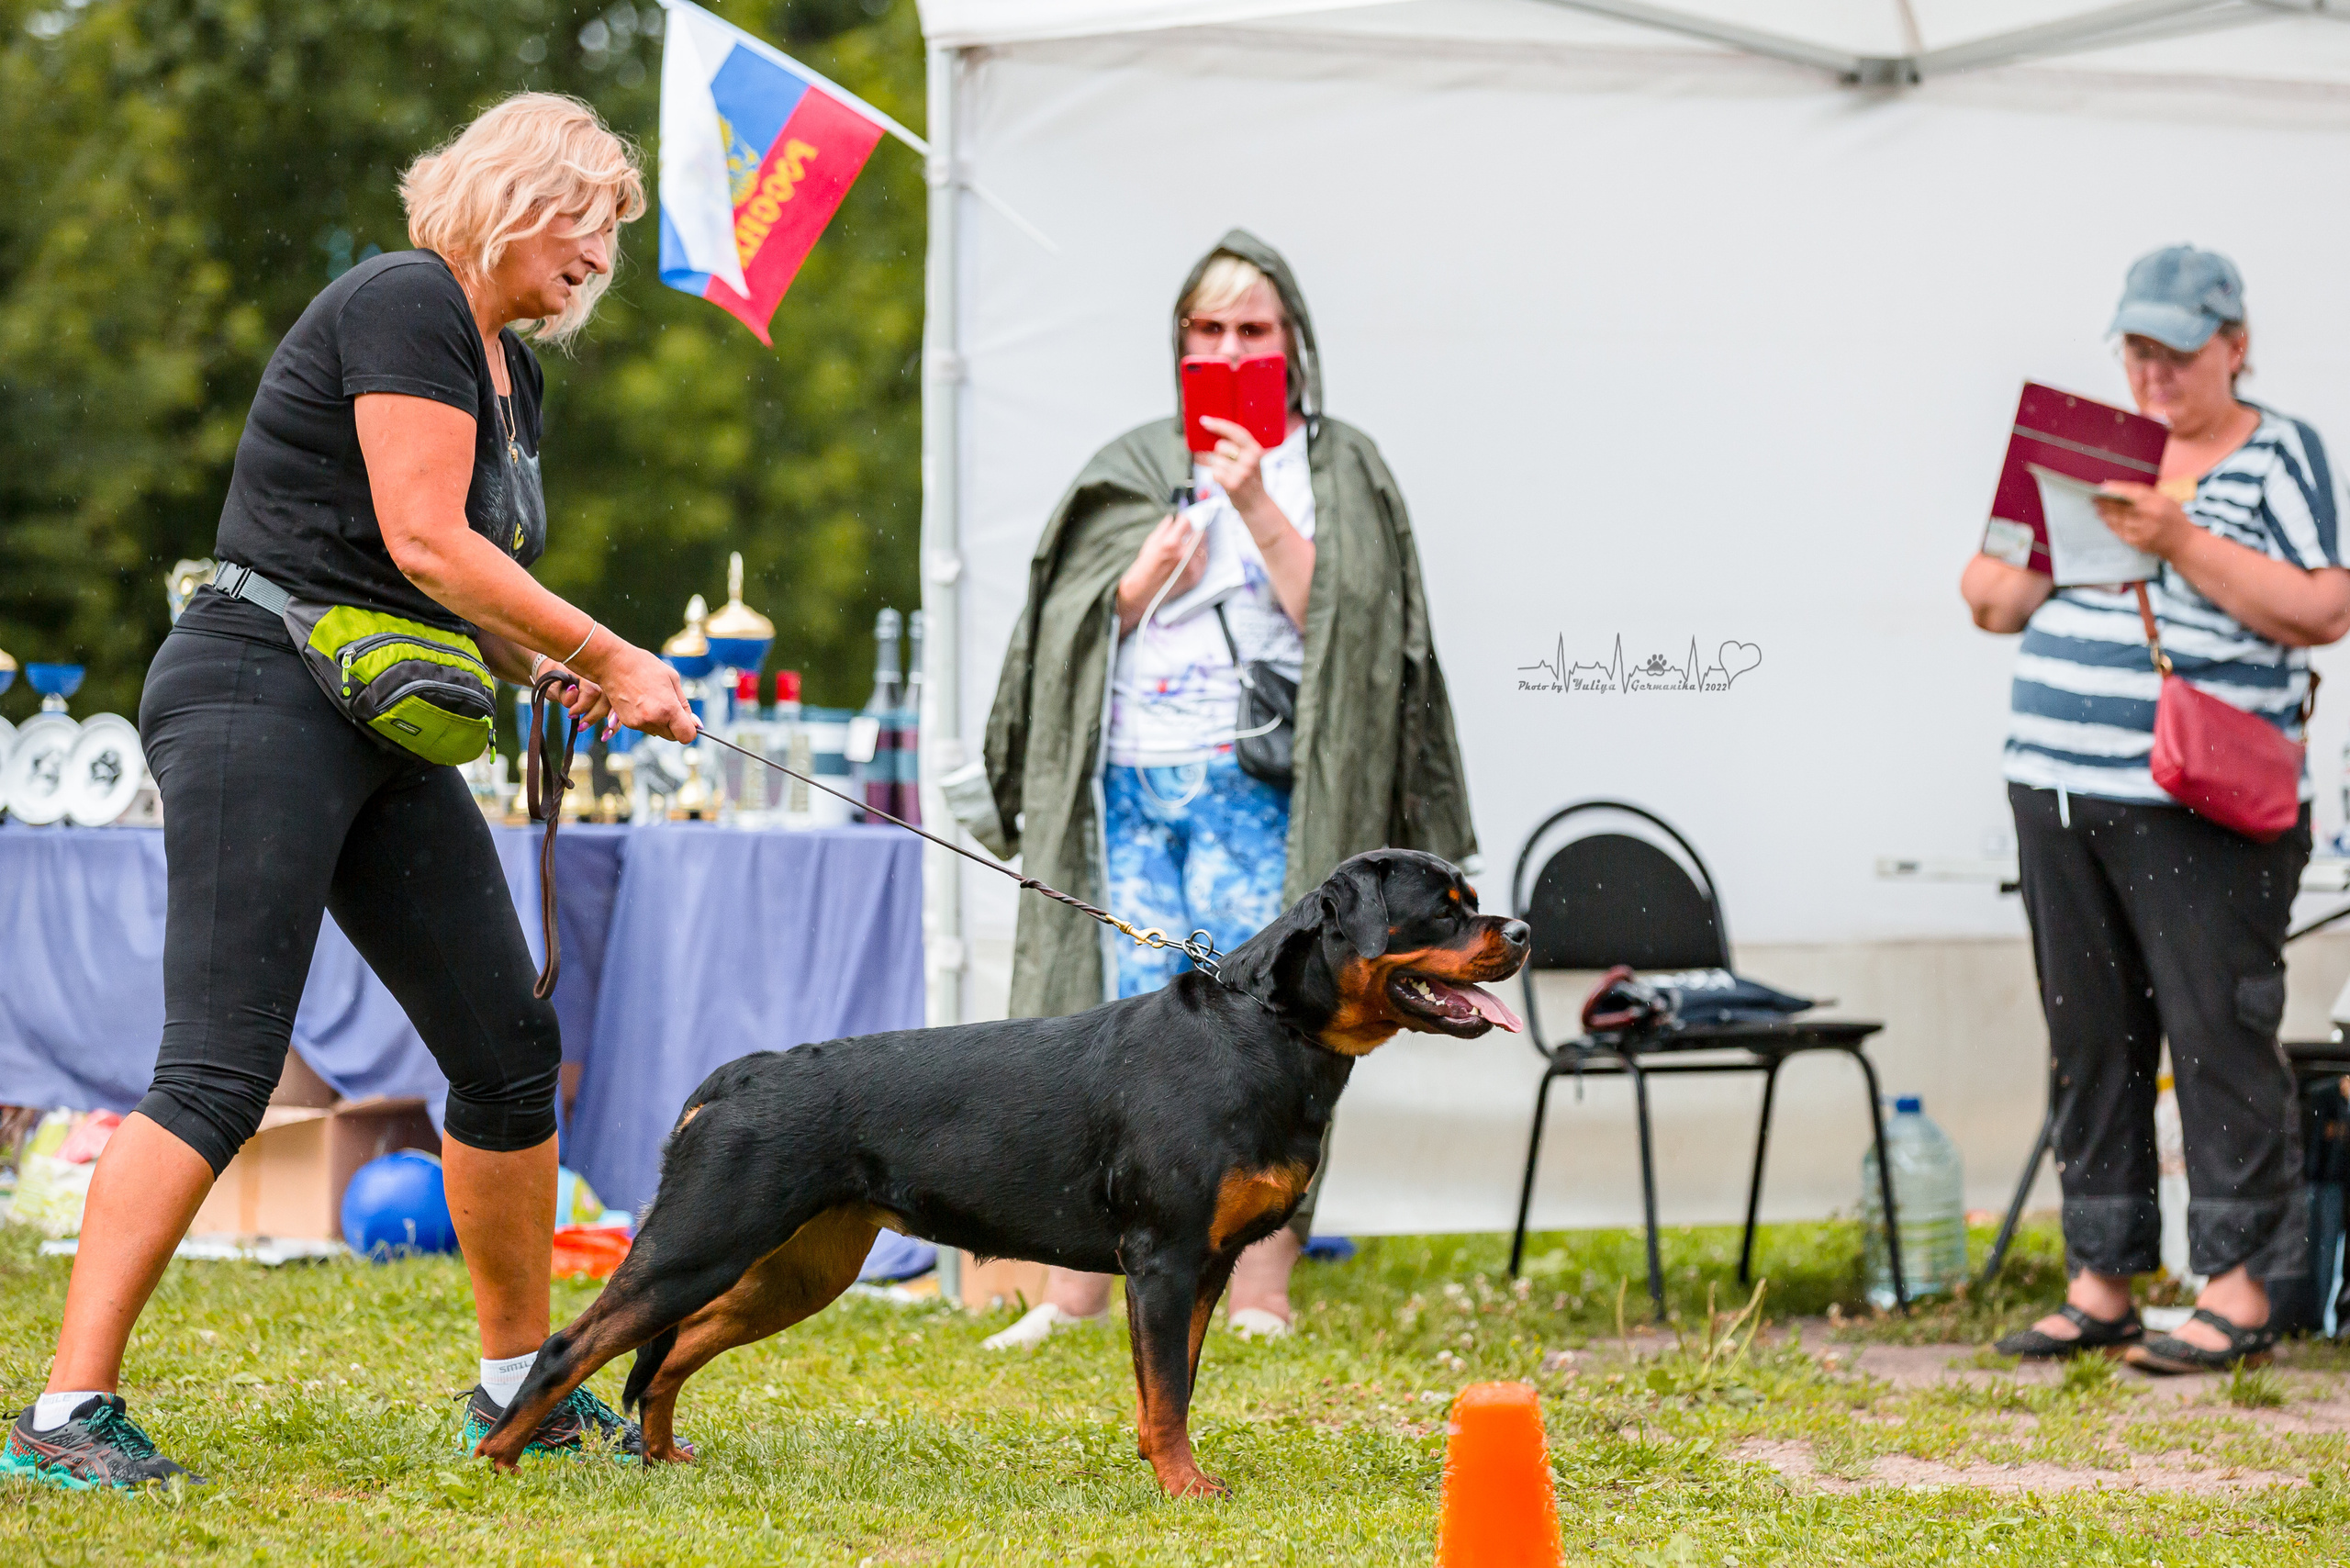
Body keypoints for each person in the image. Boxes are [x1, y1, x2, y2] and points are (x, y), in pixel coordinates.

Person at [3, 95, 698, 1489]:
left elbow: (453, 589)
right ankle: (64, 1417)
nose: (600, 257)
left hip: (378, 716)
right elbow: (426, 540)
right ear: (512, 196)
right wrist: (609, 650)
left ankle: (518, 1391)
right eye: (585, 218)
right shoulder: (405, 300)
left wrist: (553, 664)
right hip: (256, 689)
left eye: (614, 235)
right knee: (220, 1066)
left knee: (506, 1049)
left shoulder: (512, 373)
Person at [957, 230, 1478, 1349]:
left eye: (1253, 328)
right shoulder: (1134, 460)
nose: (1231, 348)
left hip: (1265, 784)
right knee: (1118, 1026)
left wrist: (1253, 505)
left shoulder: (1337, 467)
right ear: (1179, 341)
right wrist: (1137, 579)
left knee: (1271, 1028)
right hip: (1130, 781)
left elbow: (1359, 631)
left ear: (1292, 341)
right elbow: (1063, 625)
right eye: (1209, 329)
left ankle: (1258, 1294)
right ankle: (1070, 1290)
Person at [1961, 245, 2350, 1372]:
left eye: (2175, 351)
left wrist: (2175, 537)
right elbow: (1987, 599)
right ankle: (2101, 1282)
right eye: (2136, 349)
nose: (2153, 372)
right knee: (2090, 1034)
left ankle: (2238, 1286)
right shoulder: (2077, 445)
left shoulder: (2279, 453)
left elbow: (2322, 608)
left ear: (2234, 346)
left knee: (2215, 1029)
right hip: (2055, 781)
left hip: (2201, 798)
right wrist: (2058, 531)